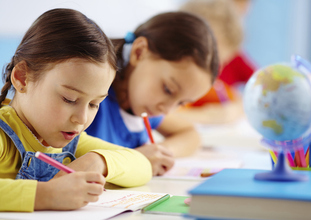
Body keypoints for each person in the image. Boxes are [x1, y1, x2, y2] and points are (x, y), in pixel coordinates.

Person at [0, 8, 152, 212]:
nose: (82, 119)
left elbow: (142, 165)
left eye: (93, 104)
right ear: (22, 78)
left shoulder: (71, 144)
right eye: (69, 99)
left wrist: (98, 161)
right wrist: (47, 195)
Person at [85, 12, 219, 176]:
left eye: (181, 103)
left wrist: (160, 152)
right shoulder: (89, 96)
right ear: (139, 52)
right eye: (168, 89)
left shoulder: (143, 103)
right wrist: (136, 159)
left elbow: (190, 134)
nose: (167, 109)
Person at [176, 0, 257, 124]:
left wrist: (232, 111)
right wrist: (210, 116)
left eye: (221, 63)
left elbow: (238, 98)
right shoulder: (172, 81)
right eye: (214, 62)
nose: (217, 71)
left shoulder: (212, 86)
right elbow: (160, 117)